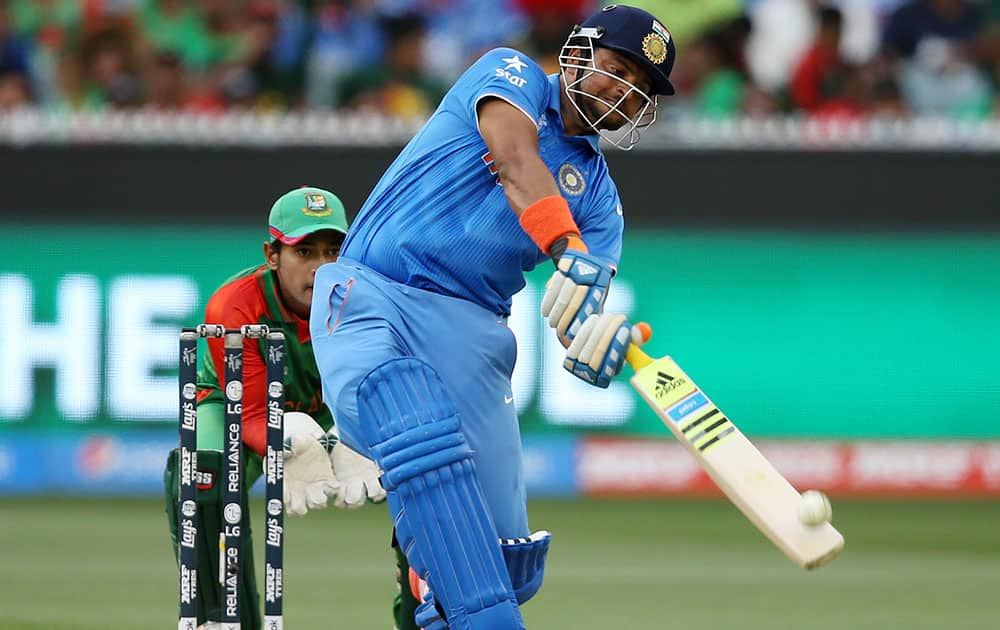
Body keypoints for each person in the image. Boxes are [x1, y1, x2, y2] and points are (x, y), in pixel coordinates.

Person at [309, 5, 675, 629]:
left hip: (473, 333)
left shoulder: (602, 205)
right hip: (376, 291)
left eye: (638, 87)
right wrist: (568, 250)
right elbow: (513, 159)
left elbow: (576, 313)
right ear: (580, 53)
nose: (622, 92)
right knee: (408, 414)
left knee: (504, 565)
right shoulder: (509, 73)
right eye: (617, 69)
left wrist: (598, 339)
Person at [163, 187, 394, 630]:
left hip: (334, 408)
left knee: (421, 469)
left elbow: (385, 382)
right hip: (234, 409)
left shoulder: (368, 297)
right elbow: (248, 415)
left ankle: (428, 617)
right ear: (272, 255)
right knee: (201, 474)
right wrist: (286, 440)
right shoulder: (236, 306)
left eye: (333, 250)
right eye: (303, 251)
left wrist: (362, 436)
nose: (320, 266)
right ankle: (220, 617)